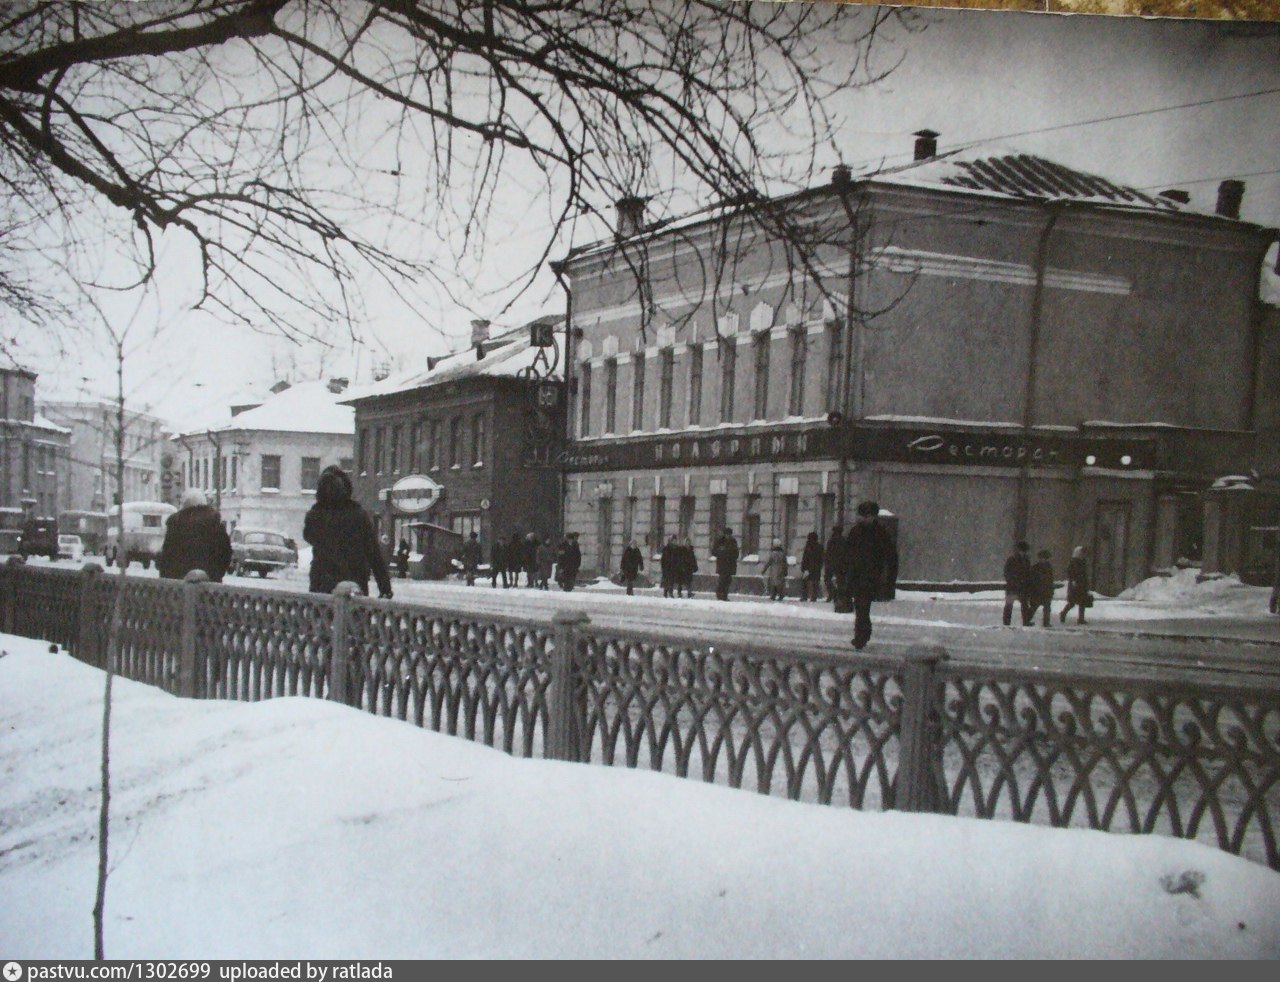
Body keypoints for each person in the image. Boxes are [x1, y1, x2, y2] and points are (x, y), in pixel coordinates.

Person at [303, 465, 392, 599]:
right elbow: (373, 553)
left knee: (323, 618)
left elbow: (308, 535)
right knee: (354, 617)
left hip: (322, 585)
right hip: (354, 584)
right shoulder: (357, 514)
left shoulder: (316, 515)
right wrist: (384, 586)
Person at [844, 501, 898, 650]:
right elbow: (847, 554)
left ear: (873, 516)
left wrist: (889, 578)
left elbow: (890, 556)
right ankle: (862, 634)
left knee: (862, 606)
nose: (861, 518)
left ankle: (861, 636)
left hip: (870, 576)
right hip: (858, 575)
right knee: (861, 607)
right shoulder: (858, 532)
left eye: (864, 516)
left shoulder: (879, 533)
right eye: (860, 515)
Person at [157, 488, 232, 582]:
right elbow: (225, 554)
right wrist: (213, 574)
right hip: (210, 587)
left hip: (178, 585)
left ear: (184, 504)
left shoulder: (175, 524)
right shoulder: (215, 524)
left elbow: (167, 557)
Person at [1003, 541, 1033, 627]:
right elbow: (1007, 572)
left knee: (1024, 605)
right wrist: (1012, 580)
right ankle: (1007, 622)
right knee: (1010, 605)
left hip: (1021, 586)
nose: (1023, 553)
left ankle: (1025, 621)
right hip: (1014, 586)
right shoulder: (1013, 560)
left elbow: (1028, 573)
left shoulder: (1025, 560)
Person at [1060, 546, 1091, 625]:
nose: (1082, 555)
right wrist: (1073, 580)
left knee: (1082, 602)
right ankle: (1063, 613)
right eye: (1081, 553)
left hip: (1082, 584)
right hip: (1075, 584)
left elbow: (1084, 573)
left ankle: (1081, 619)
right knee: (1072, 602)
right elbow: (1070, 572)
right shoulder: (1073, 561)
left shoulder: (1083, 561)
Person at [1028, 549, 1055, 627]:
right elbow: (1032, 579)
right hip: (1037, 590)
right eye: (1043, 558)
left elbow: (1050, 579)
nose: (1044, 560)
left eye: (1046, 558)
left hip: (1046, 590)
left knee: (1047, 607)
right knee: (1034, 607)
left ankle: (1046, 622)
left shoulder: (1048, 567)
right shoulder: (1036, 567)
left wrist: (1051, 589)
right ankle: (1027, 619)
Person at [712, 527, 739, 601]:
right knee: (722, 580)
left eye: (729, 534)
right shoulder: (720, 541)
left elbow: (736, 553)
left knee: (728, 581)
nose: (728, 536)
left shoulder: (733, 541)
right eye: (727, 534)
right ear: (725, 534)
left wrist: (733, 556)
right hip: (722, 564)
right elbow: (714, 551)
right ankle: (719, 594)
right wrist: (722, 552)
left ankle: (725, 596)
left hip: (730, 564)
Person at [823, 524, 844, 602]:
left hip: (831, 563)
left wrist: (826, 562)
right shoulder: (844, 540)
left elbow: (828, 553)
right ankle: (839, 596)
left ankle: (833, 593)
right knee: (840, 581)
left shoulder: (831, 541)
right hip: (841, 564)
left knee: (827, 579)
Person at [800, 531, 823, 602]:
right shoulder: (819, 547)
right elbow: (821, 558)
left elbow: (805, 558)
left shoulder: (808, 547)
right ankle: (813, 597)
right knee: (814, 583)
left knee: (805, 582)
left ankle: (805, 596)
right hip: (816, 568)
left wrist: (803, 567)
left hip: (808, 567)